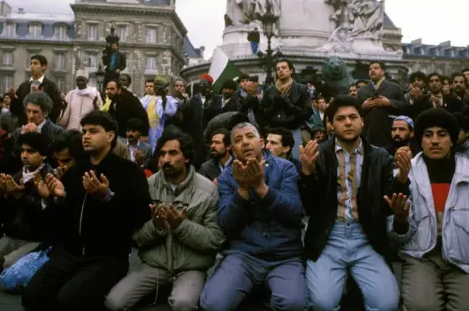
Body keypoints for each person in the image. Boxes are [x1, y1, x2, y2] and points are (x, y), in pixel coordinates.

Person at [21, 111, 151, 310]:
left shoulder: (128, 172)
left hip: (107, 258)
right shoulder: (75, 172)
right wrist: (54, 198)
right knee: (32, 296)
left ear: (110, 136)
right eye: (84, 131)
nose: (86, 136)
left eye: (93, 131)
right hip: (70, 253)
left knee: (68, 301)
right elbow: (58, 223)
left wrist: (107, 198)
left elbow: (139, 216)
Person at [299, 96, 409, 311]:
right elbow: (308, 207)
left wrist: (402, 180)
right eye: (340, 118)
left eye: (353, 117)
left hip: (366, 237)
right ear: (330, 124)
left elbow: (389, 204)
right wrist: (307, 175)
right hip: (329, 238)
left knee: (386, 304)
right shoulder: (317, 155)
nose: (348, 123)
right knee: (322, 303)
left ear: (362, 121)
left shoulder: (380, 157)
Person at [105, 127, 224, 311]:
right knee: (113, 302)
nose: (166, 159)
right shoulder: (148, 186)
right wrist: (156, 227)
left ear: (186, 157)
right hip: (155, 265)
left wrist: (181, 226)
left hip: (190, 266)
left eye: (173, 153)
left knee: (183, 304)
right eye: (162, 154)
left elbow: (214, 240)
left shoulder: (207, 190)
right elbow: (136, 238)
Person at [397, 108, 469, 311]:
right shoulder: (404, 174)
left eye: (442, 134)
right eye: (428, 135)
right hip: (421, 258)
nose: (435, 141)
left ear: (453, 140)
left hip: (464, 260)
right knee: (422, 306)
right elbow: (396, 235)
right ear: (420, 140)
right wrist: (400, 221)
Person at [200, 122, 306, 311]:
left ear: (261, 142)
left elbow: (295, 213)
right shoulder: (226, 178)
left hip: (284, 255)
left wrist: (261, 188)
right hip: (244, 255)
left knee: (294, 304)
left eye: (250, 137)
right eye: (238, 140)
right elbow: (226, 224)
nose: (245, 143)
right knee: (212, 305)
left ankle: (264, 290)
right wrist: (242, 190)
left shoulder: (284, 168)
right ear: (232, 150)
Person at [0, 132, 55, 275]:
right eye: (22, 151)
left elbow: (46, 214)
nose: (25, 155)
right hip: (12, 236)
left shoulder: (51, 177)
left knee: (9, 265)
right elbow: (1, 213)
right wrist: (3, 194)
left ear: (44, 155)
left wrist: (19, 195)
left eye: (30, 151)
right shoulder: (15, 175)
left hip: (37, 239)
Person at [356, 61, 408, 147]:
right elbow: (355, 111)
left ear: (383, 72)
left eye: (376, 68)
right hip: (368, 136)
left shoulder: (395, 87)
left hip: (389, 135)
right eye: (370, 69)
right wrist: (363, 106)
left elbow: (406, 107)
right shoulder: (362, 91)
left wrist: (390, 103)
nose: (372, 70)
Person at [10, 55, 63, 125]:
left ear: (44, 66)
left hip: (43, 129)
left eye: (35, 63)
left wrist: (42, 98)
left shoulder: (51, 86)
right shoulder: (23, 86)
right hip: (25, 127)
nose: (32, 66)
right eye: (31, 63)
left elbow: (56, 110)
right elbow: (15, 111)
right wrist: (13, 98)